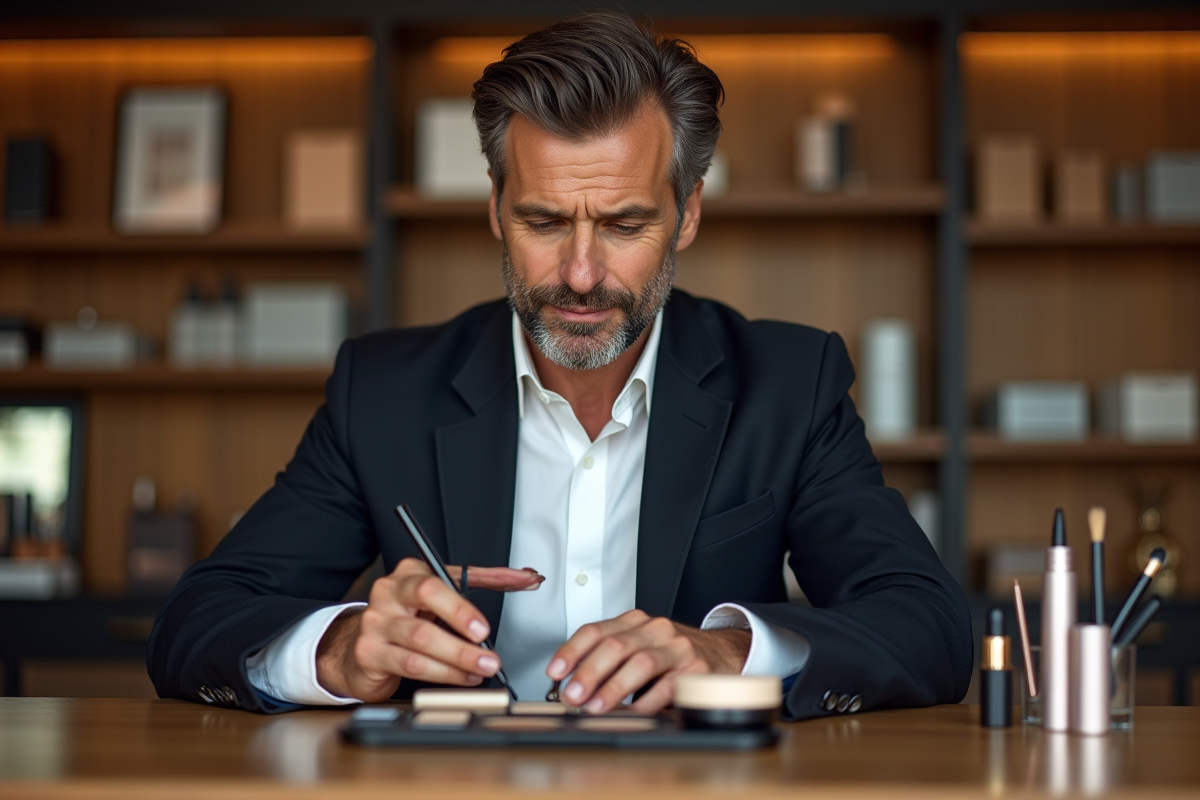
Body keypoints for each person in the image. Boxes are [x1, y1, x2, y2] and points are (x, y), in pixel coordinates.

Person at [148, 12, 971, 718]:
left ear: (686, 215)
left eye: (623, 224)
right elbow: (198, 622)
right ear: (497, 209)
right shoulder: (383, 392)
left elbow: (928, 626)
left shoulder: (790, 384)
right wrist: (340, 647)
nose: (581, 274)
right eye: (544, 220)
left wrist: (724, 653)